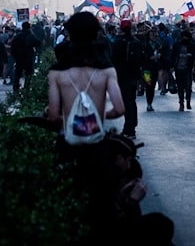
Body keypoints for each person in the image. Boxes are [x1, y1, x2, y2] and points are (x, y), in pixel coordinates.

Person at [46, 12, 125, 235]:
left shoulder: (57, 73)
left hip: (68, 148)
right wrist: (98, 117)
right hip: (98, 150)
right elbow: (119, 109)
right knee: (101, 212)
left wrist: (69, 118)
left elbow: (53, 115)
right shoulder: (107, 71)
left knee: (68, 209)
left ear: (69, 37)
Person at [111, 19, 145, 138]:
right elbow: (141, 59)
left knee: (126, 102)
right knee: (132, 101)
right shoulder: (136, 41)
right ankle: (132, 126)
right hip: (134, 76)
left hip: (122, 76)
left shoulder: (118, 42)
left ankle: (129, 128)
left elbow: (113, 60)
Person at [170, 29, 195, 112]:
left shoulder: (192, 46)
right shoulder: (177, 45)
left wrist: (194, 67)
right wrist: (171, 66)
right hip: (178, 69)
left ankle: (188, 101)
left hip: (188, 69)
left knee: (188, 86)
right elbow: (173, 56)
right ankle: (181, 102)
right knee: (180, 87)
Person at [9, 21, 40, 91]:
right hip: (28, 58)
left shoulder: (17, 36)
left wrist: (15, 57)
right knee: (28, 74)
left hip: (19, 58)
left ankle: (16, 87)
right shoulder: (31, 36)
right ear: (29, 28)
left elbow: (12, 48)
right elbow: (38, 43)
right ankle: (27, 87)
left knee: (18, 74)